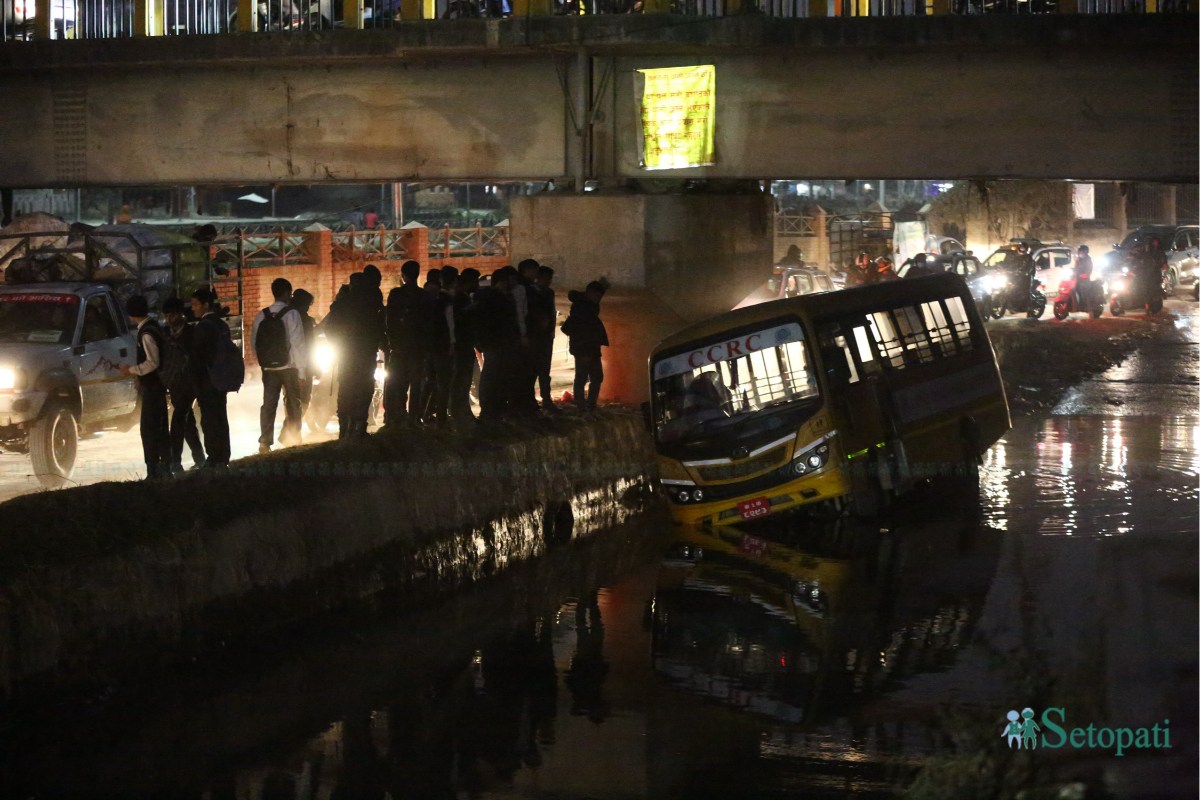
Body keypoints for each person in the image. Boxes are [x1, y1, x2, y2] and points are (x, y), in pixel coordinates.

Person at [252, 278, 307, 453]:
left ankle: (265, 442)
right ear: (286, 293)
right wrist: (302, 371)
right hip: (289, 367)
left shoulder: (262, 315)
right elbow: (298, 343)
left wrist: (263, 364)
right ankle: (293, 437)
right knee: (293, 403)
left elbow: (255, 343)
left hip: (269, 369)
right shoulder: (292, 314)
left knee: (268, 404)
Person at [325, 272, 383, 438]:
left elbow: (330, 329)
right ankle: (358, 426)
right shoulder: (369, 303)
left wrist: (338, 345)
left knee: (346, 388)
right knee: (363, 388)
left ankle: (346, 428)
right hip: (364, 353)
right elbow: (377, 327)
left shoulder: (341, 304)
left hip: (347, 354)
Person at [121, 295, 172, 480]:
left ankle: (155, 469)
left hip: (153, 387)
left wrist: (133, 371)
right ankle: (164, 466)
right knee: (159, 427)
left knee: (149, 429)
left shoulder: (146, 333)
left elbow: (152, 362)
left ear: (131, 314)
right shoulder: (154, 327)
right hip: (155, 385)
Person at [384, 260, 432, 426]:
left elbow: (389, 319)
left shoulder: (396, 295)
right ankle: (413, 418)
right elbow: (428, 323)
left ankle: (399, 416)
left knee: (399, 383)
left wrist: (392, 341)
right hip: (418, 347)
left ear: (403, 276)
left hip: (400, 347)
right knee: (416, 383)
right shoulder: (424, 296)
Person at [190, 287, 233, 468]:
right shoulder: (222, 325)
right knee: (221, 418)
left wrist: (195, 382)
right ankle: (224, 455)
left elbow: (197, 359)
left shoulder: (202, 328)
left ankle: (214, 457)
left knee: (208, 420)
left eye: (195, 304)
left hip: (207, 381)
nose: (193, 308)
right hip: (221, 379)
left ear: (206, 305)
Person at [161, 296, 205, 473]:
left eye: (171, 316)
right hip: (175, 383)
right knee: (187, 422)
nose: (169, 320)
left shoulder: (190, 333)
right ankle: (199, 457)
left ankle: (175, 461)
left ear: (180, 314)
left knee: (179, 419)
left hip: (188, 383)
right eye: (166, 316)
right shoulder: (167, 333)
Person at [473, 267, 521, 421]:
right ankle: (490, 409)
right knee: (492, 375)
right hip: (496, 342)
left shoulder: (500, 297)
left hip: (499, 342)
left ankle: (495, 408)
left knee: (498, 375)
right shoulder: (494, 298)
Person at [562, 278, 609, 413]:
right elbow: (581, 330)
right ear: (589, 293)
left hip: (589, 347)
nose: (598, 298)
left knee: (593, 377)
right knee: (585, 377)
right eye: (596, 295)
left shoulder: (586, 305)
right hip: (584, 347)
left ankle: (586, 405)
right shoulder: (582, 308)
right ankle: (583, 406)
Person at [448, 268, 481, 425]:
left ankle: (461, 411)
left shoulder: (463, 298)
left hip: (465, 344)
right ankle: (458, 412)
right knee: (462, 379)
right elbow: (461, 322)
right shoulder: (461, 299)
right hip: (462, 345)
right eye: (475, 281)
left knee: (464, 379)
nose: (478, 284)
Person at [529, 265, 558, 412]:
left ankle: (546, 399)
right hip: (535, 335)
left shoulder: (548, 293)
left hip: (545, 335)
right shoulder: (531, 292)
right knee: (535, 369)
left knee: (544, 370)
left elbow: (552, 312)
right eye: (547, 278)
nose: (549, 281)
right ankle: (533, 400)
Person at [290, 288, 317, 423]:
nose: (308, 307)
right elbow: (310, 345)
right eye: (307, 304)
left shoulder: (286, 316)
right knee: (304, 398)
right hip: (303, 366)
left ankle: (292, 430)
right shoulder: (305, 320)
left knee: (292, 399)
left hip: (289, 365)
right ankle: (291, 431)